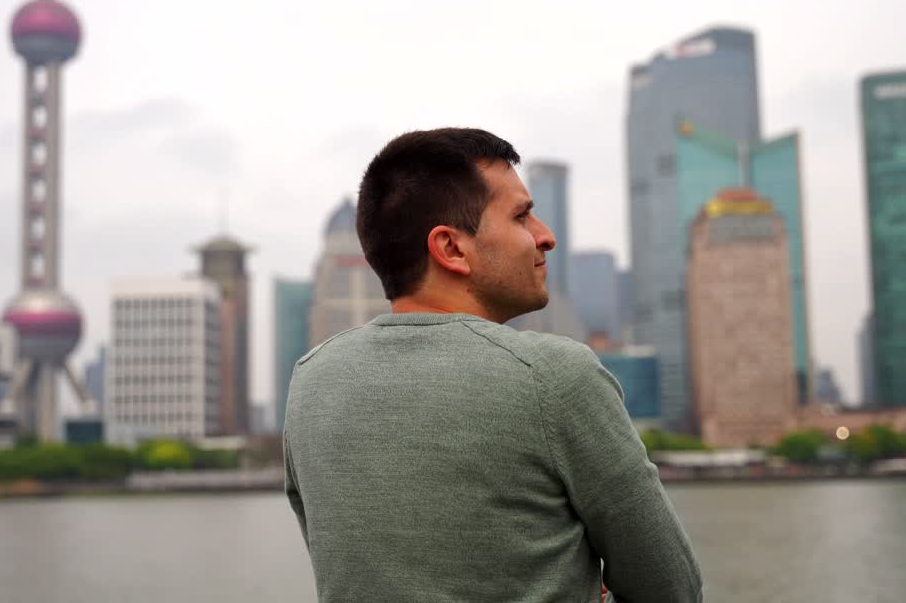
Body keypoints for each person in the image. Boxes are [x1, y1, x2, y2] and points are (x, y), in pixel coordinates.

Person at [284, 128, 702, 603]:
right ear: (451, 249)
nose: (546, 236)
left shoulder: (311, 380)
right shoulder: (552, 375)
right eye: (522, 216)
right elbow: (672, 589)